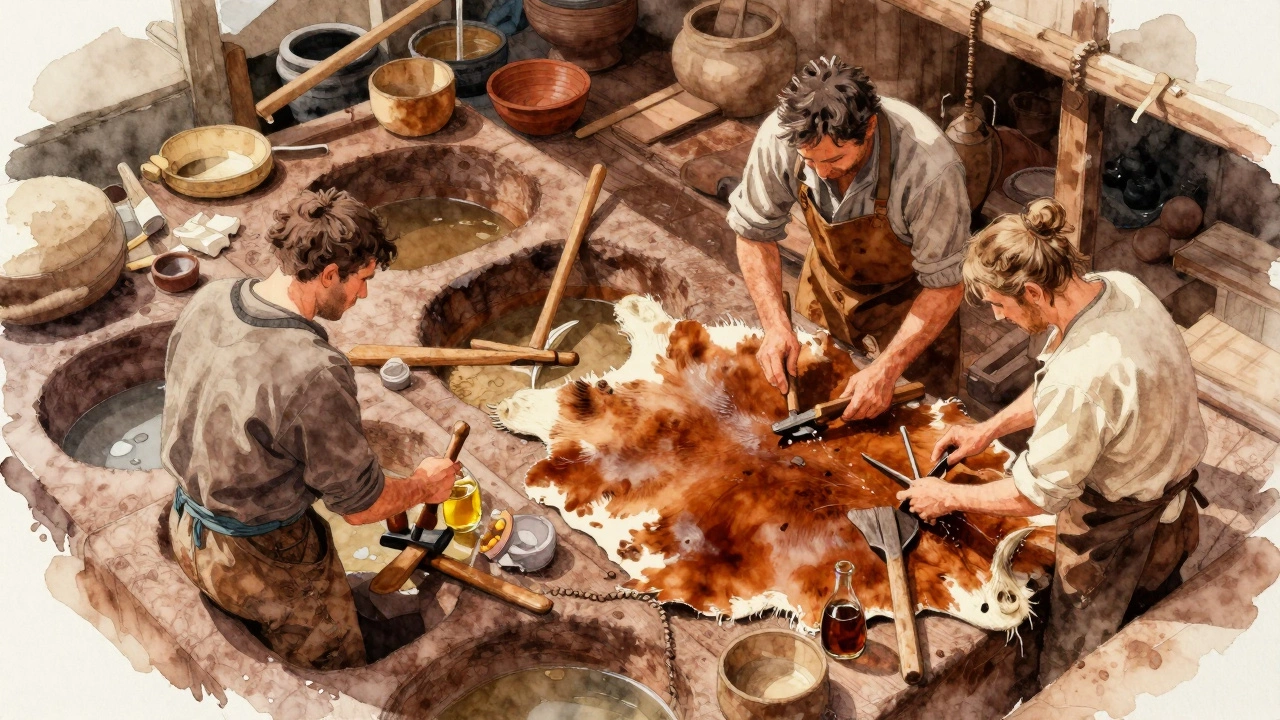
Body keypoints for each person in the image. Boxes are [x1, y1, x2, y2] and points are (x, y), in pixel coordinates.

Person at [897, 198, 1205, 685]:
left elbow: (1035, 494)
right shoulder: (1117, 286)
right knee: (1153, 620)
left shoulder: (1083, 375)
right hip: (1168, 491)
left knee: (1074, 676)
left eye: (1000, 306)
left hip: (1120, 527)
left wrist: (946, 495)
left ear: (1034, 293)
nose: (998, 318)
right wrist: (987, 430)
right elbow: (1057, 385)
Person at [161, 188, 460, 670]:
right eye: (361, 279)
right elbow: (362, 509)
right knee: (337, 674)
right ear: (327, 274)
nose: (363, 293)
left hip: (188, 531)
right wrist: (425, 486)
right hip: (268, 564)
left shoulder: (210, 298)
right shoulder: (313, 371)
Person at [729, 56, 970, 418]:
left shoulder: (931, 169)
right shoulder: (780, 136)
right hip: (827, 290)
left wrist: (887, 369)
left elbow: (946, 286)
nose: (822, 173)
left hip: (912, 304)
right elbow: (753, 233)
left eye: (835, 160)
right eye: (810, 162)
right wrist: (776, 325)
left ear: (869, 128)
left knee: (919, 423)